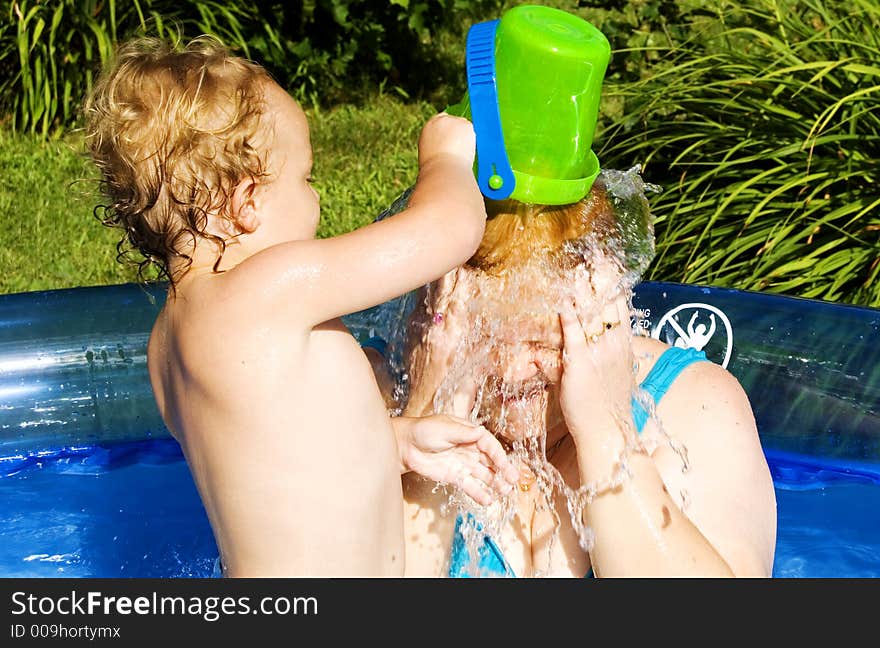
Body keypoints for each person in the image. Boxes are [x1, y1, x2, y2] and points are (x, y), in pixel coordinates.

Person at [83, 36, 519, 577]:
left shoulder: (166, 344)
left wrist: (396, 441)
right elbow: (446, 231)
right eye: (305, 179)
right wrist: (444, 158)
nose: (317, 198)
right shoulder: (264, 291)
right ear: (246, 204)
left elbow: (276, 465)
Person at [394, 172, 778, 578]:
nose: (511, 370)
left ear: (602, 311)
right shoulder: (394, 401)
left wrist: (608, 433)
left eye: (541, 342)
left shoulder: (695, 405)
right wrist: (429, 410)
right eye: (483, 338)